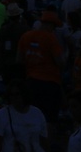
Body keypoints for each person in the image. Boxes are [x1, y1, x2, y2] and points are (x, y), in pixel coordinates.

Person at [17, 10, 64, 139]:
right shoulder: (50, 38)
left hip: (31, 80)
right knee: (49, 117)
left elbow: (19, 59)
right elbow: (60, 61)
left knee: (31, 114)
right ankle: (46, 146)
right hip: (50, 82)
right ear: (50, 25)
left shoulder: (26, 36)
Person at [0, 80, 48, 152]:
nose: (14, 98)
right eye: (11, 95)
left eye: (17, 94)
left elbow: (43, 140)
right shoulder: (2, 114)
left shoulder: (37, 113)